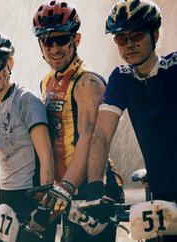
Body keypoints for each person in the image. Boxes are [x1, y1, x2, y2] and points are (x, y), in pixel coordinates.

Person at [32, 1, 124, 241]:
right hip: (64, 188)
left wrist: (66, 187)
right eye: (47, 41)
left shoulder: (87, 82)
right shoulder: (46, 81)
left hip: (92, 187)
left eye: (61, 39)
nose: (54, 48)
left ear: (77, 39)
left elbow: (90, 139)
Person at [87, 1, 177, 241]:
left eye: (137, 35)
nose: (129, 45)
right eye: (121, 39)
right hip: (161, 198)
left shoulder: (174, 68)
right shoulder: (122, 78)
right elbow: (102, 135)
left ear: (155, 34)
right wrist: (96, 190)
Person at [0, 33, 55, 241]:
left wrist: (44, 207)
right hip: (5, 195)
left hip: (33, 194)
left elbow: (46, 155)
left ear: (10, 63)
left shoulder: (27, 100)